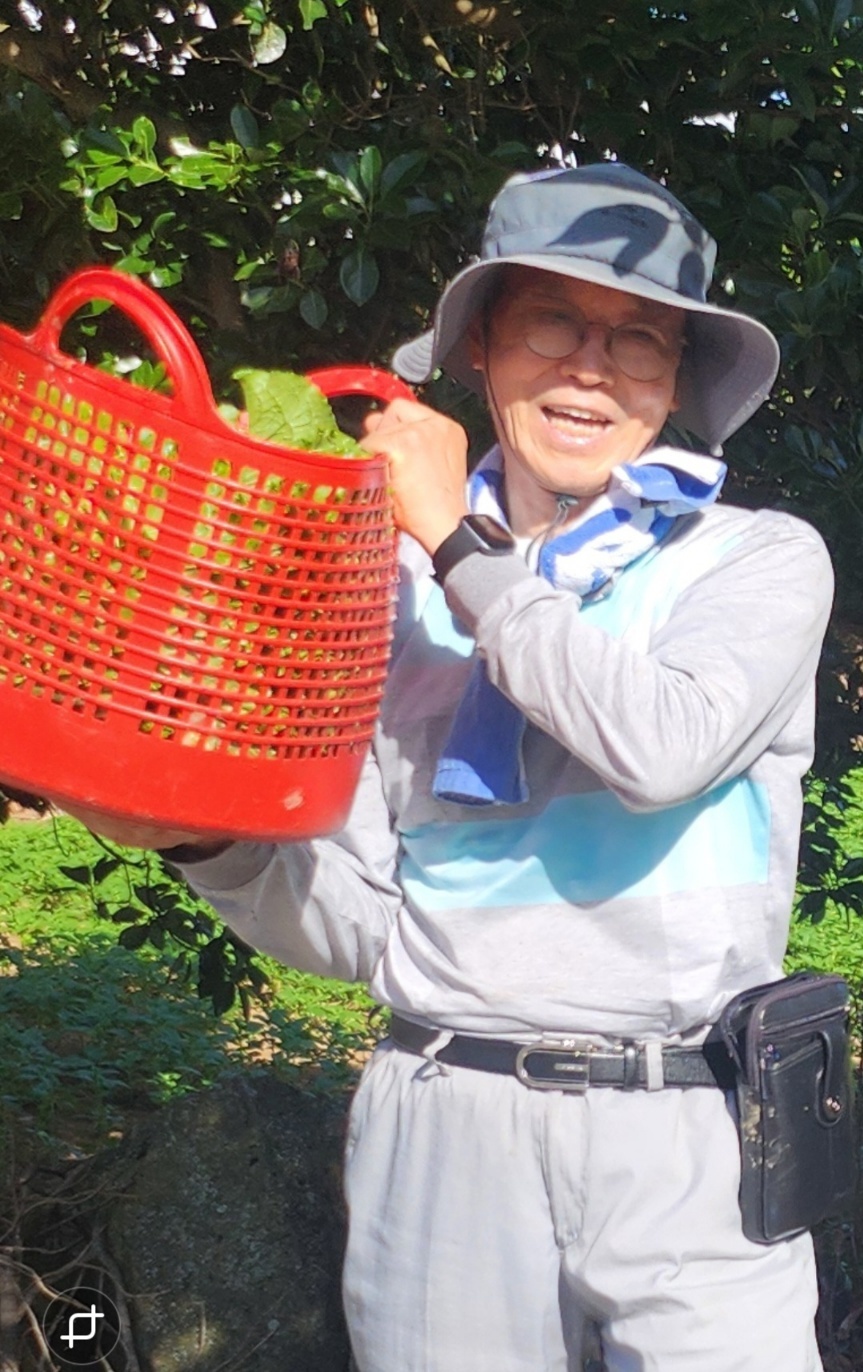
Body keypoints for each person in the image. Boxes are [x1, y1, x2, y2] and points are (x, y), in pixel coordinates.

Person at [70, 163, 834, 1371]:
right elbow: (367, 926)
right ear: (479, 345)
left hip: (690, 1134)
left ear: (675, 378)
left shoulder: (753, 562)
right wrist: (203, 843)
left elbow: (662, 747)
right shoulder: (375, 593)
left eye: (639, 339)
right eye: (551, 322)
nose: (591, 368)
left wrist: (456, 543)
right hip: (441, 1128)